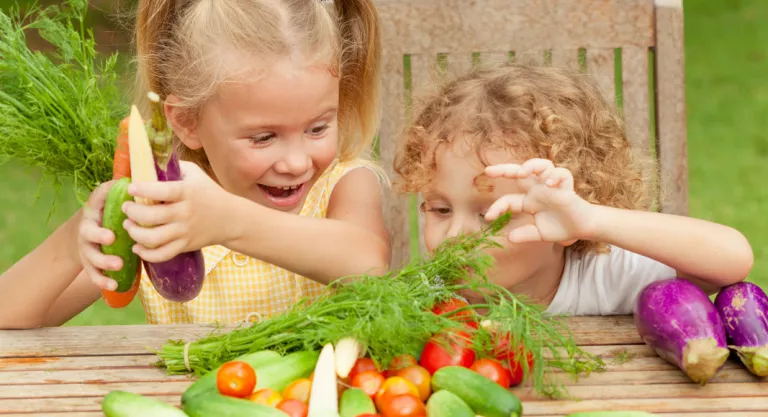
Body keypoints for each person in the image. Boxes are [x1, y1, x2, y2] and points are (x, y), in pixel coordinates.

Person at [0, 0, 390, 328]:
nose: (296, 161)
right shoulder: (158, 209)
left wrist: (229, 221)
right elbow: (9, 316)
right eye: (263, 137)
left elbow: (368, 265)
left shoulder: (345, 183)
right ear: (186, 121)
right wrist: (74, 244)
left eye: (318, 127)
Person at [393, 63, 754, 315]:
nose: (455, 235)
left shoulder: (603, 274)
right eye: (440, 210)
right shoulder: (428, 296)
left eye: (490, 214)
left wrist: (591, 219)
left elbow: (731, 259)